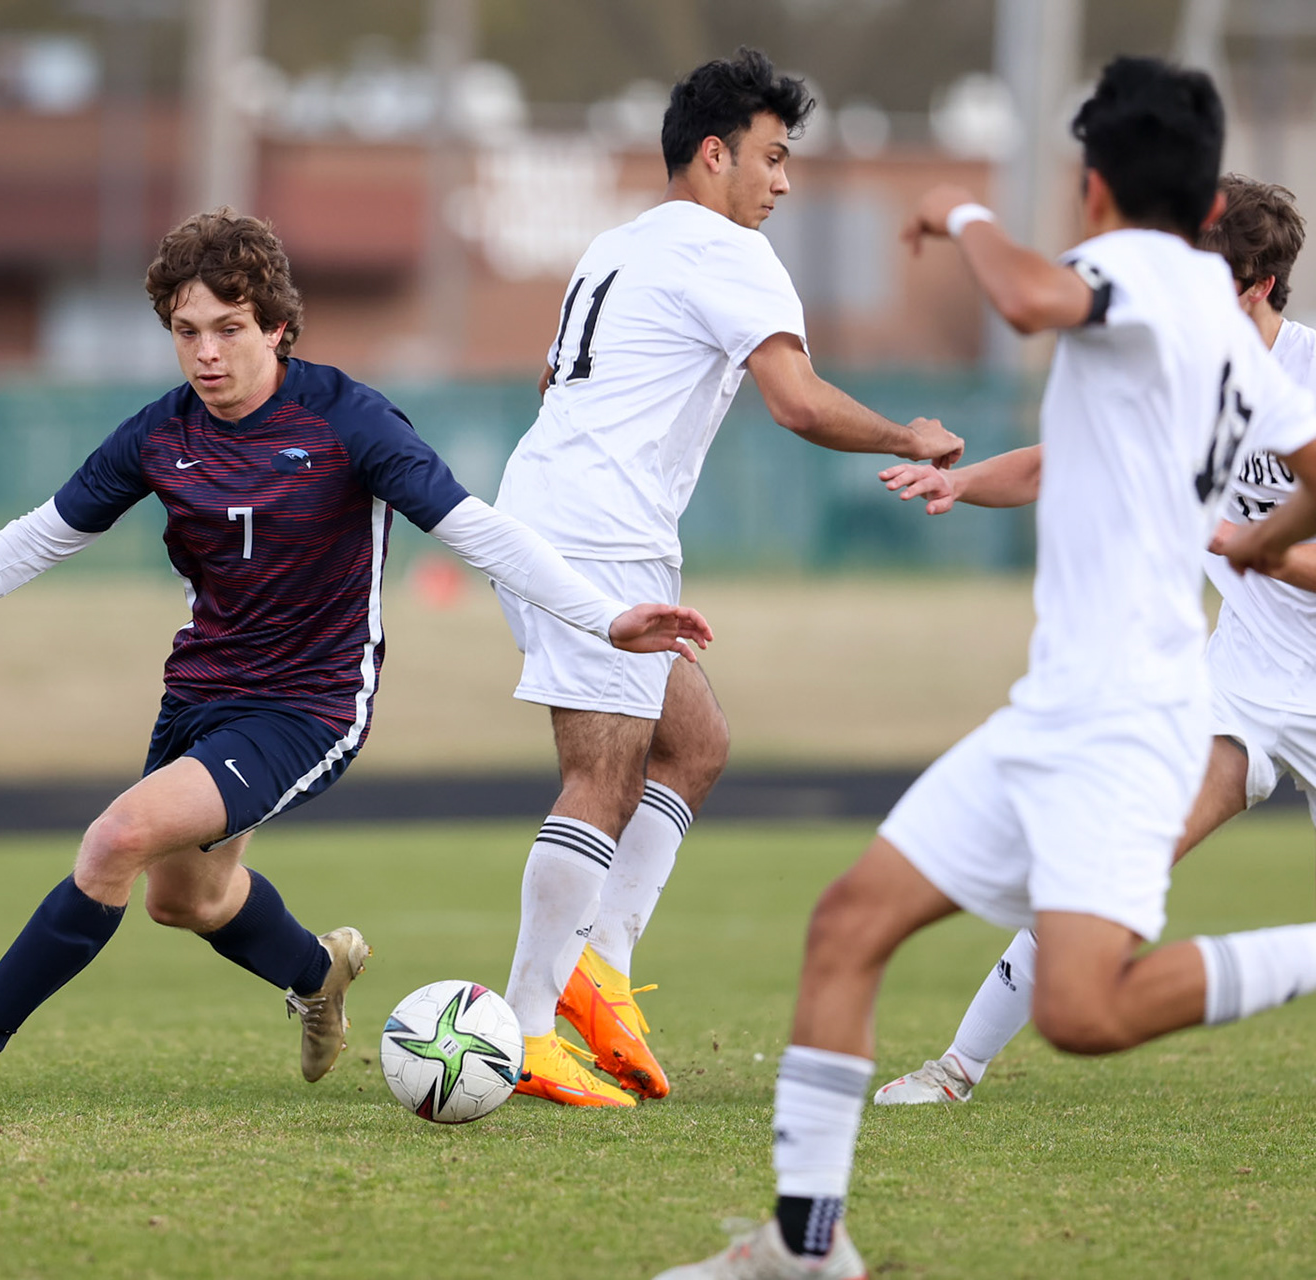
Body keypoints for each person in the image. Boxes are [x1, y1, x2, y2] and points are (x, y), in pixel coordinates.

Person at [656, 58, 1316, 1279]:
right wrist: (1256, 541)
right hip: (1067, 704)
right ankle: (804, 1248)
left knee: (1087, 1010)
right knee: (849, 923)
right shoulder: (1220, 334)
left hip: (1126, 716)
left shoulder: (1144, 269)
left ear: (1099, 185)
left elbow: (1023, 299)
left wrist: (960, 214)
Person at [0, 210, 713, 1099]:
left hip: (308, 704)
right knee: (185, 900)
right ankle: (315, 974)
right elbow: (40, 536)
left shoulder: (348, 420)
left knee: (116, 840)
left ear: (276, 327)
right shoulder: (160, 435)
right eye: (186, 332)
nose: (206, 354)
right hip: (200, 695)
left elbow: (477, 529)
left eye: (229, 329)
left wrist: (606, 620)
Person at [489, 47, 964, 1108]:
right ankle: (523, 1026)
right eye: (774, 156)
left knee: (695, 741)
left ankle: (595, 966)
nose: (783, 182)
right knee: (601, 775)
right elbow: (796, 401)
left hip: (555, 513)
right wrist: (910, 434)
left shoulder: (616, 244)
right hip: (594, 532)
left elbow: (551, 377)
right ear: (716, 154)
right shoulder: (729, 248)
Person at [870, 174, 1316, 1108]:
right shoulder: (1181, 370)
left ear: (1257, 286)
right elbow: (1054, 460)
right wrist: (959, 484)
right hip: (1242, 685)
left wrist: (1252, 550)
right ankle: (957, 1069)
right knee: (1109, 857)